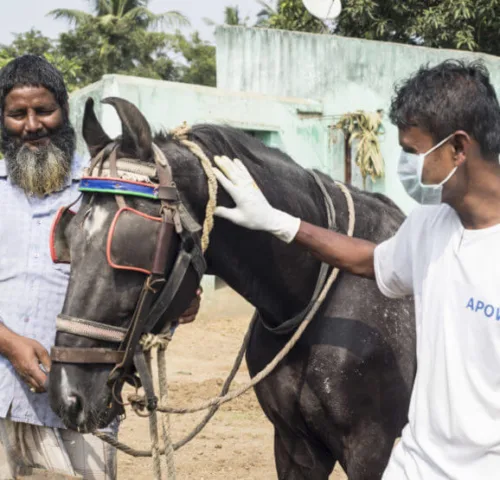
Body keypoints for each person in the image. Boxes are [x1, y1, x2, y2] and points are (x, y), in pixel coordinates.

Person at [212, 59, 500, 480]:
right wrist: (281, 223)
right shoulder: (429, 225)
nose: (406, 168)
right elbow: (368, 259)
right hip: (415, 467)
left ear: (458, 148)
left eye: (411, 153)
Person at [0, 54, 200, 480]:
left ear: (65, 111)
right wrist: (10, 343)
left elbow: (149, 276)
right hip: (3, 396)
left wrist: (181, 301)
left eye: (44, 110)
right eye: (17, 114)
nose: (32, 125)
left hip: (89, 390)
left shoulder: (108, 189)